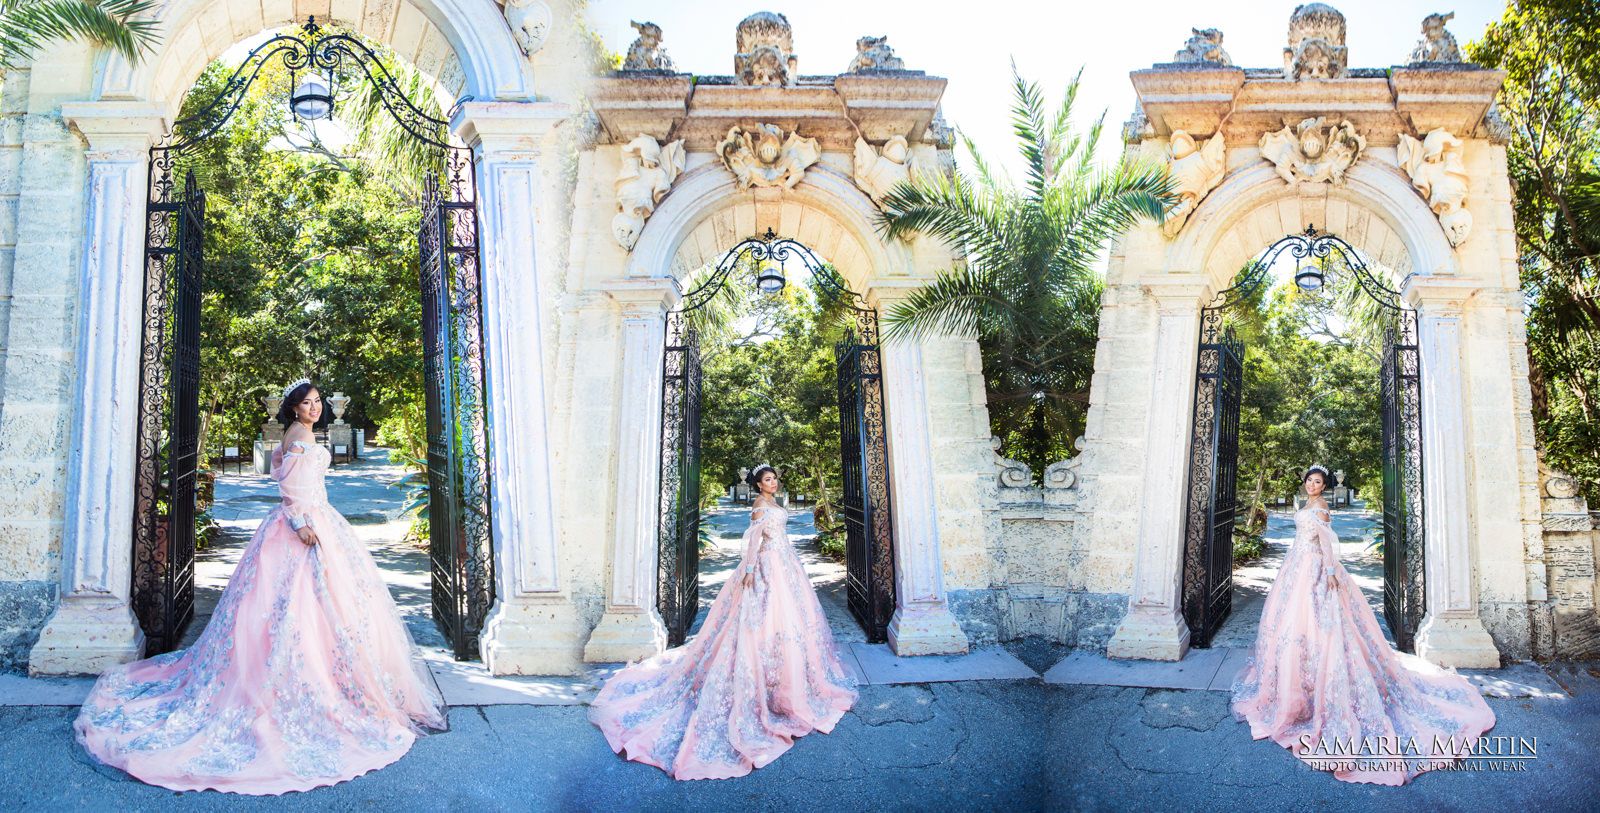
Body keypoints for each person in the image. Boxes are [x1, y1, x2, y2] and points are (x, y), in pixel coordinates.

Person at [75, 379, 446, 795]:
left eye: (318, 402)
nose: (315, 409)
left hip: (304, 519)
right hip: (303, 523)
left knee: (293, 608)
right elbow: (291, 488)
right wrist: (302, 523)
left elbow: (280, 471)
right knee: (300, 607)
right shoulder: (302, 435)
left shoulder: (293, 434)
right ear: (293, 408)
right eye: (307, 404)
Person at [588, 464, 858, 780]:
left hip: (787, 565)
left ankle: (789, 680)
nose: (772, 483)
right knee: (756, 624)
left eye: (774, 479)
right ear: (757, 485)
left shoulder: (774, 502)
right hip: (767, 566)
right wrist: (748, 572)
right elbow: (754, 541)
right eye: (767, 480)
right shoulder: (759, 505)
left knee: (791, 625)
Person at [1231, 465, 1495, 785]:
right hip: (1295, 567)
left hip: (1315, 569)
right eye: (1310, 481)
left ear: (1325, 486)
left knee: (1326, 630)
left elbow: (1327, 542)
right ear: (1305, 483)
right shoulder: (1306, 503)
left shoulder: (1323, 507)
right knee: (1291, 629)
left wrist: (1329, 572)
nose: (1313, 485)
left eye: (1318, 482)